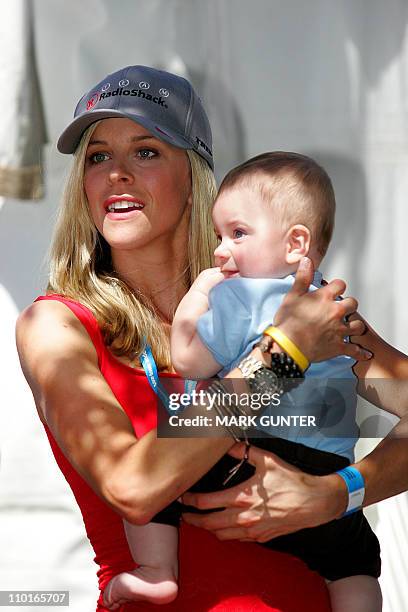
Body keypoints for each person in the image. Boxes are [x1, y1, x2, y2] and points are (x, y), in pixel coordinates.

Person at [15, 64, 383, 612]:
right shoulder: (57, 324)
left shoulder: (275, 295)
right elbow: (134, 488)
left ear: (195, 177)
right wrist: (283, 356)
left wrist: (336, 494)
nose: (116, 173)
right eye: (98, 156)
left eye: (146, 151)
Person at [170, 151, 382, 611]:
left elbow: (187, 360)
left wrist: (196, 295)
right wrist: (343, 489)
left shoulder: (238, 293)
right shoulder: (331, 302)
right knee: (354, 566)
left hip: (258, 451)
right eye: (220, 236)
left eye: (237, 234)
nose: (220, 251)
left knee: (163, 474)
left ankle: (153, 570)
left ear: (294, 244)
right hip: (330, 464)